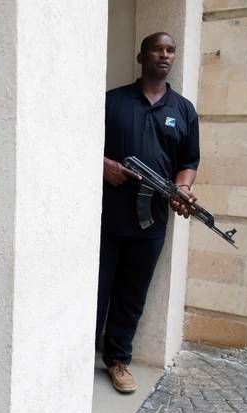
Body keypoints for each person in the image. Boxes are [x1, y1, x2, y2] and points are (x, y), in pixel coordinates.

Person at [97, 32, 200, 393]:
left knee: (132, 294)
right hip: (105, 217)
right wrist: (102, 165)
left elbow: (189, 161)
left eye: (170, 50)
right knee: (95, 290)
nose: (164, 55)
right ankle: (77, 355)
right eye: (157, 49)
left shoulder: (183, 110)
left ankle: (117, 360)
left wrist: (183, 189)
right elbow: (78, 141)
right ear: (141, 57)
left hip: (152, 219)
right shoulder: (112, 101)